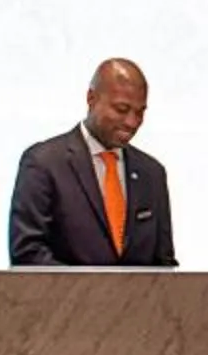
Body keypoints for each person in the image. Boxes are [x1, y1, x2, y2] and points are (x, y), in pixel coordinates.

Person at [9, 58, 178, 267]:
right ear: (91, 98)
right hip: (62, 290)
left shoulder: (152, 173)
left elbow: (164, 264)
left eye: (140, 112)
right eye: (122, 109)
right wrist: (93, 288)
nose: (132, 122)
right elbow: (28, 254)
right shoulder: (43, 164)